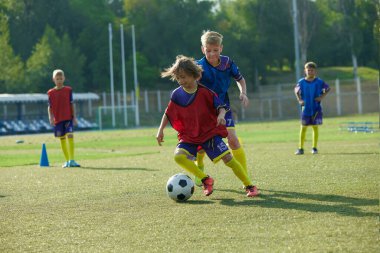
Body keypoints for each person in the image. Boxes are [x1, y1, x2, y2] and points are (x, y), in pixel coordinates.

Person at [156, 55, 259, 197]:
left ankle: (250, 186)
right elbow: (168, 113)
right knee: (178, 157)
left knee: (228, 159)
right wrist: (160, 130)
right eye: (178, 78)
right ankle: (206, 179)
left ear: (195, 76)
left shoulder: (206, 92)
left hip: (208, 133)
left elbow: (221, 107)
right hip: (190, 136)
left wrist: (221, 116)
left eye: (184, 77)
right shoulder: (177, 94)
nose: (181, 81)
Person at [194, 30, 250, 186]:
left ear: (221, 48)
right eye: (208, 50)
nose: (212, 54)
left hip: (224, 108)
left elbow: (240, 79)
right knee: (202, 146)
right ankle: (200, 165)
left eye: (215, 50)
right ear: (202, 49)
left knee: (233, 140)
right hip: (204, 111)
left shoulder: (227, 63)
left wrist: (243, 92)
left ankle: (246, 178)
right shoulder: (198, 67)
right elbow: (192, 86)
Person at [294, 62, 331, 155]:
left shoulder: (319, 81)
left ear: (315, 71)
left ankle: (314, 148)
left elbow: (328, 88)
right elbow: (296, 91)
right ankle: (300, 148)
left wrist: (321, 97)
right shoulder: (301, 82)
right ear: (305, 71)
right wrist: (300, 100)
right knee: (303, 128)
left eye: (312, 70)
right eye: (308, 70)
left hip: (316, 108)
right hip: (305, 109)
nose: (310, 72)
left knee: (315, 127)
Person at [47, 69, 81, 167]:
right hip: (58, 120)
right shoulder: (50, 93)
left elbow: (72, 104)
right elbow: (49, 107)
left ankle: (72, 160)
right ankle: (67, 161)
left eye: (61, 78)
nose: (59, 80)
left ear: (64, 78)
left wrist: (74, 117)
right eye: (57, 79)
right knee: (62, 139)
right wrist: (50, 117)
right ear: (53, 79)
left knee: (70, 135)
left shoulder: (68, 90)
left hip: (68, 118)